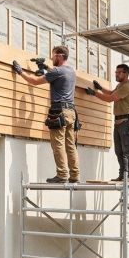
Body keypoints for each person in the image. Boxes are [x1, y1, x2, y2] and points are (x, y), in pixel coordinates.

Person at [12, 46, 80, 183]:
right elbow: (56, 73)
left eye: (53, 56)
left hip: (59, 111)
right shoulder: (71, 71)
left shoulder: (57, 71)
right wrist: (45, 67)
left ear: (60, 56)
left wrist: (20, 72)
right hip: (71, 112)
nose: (52, 58)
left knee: (58, 144)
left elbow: (35, 81)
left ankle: (62, 175)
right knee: (70, 145)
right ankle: (75, 175)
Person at [86, 63, 129, 181]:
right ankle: (123, 175)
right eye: (116, 72)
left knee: (128, 149)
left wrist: (94, 93)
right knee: (119, 151)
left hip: (126, 121)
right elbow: (110, 93)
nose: (116, 74)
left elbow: (110, 99)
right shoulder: (120, 85)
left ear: (126, 74)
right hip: (119, 122)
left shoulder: (128, 86)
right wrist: (100, 88)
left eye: (119, 72)